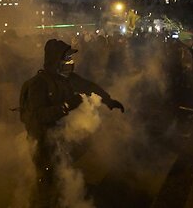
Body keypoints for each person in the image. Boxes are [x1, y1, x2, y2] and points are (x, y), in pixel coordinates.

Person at [20, 39, 124, 208]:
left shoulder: (68, 79)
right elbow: (38, 115)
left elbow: (89, 86)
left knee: (62, 178)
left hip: (61, 139)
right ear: (55, 62)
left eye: (71, 59)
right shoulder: (38, 84)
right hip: (42, 143)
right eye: (66, 59)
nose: (71, 63)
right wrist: (67, 106)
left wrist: (108, 100)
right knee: (46, 183)